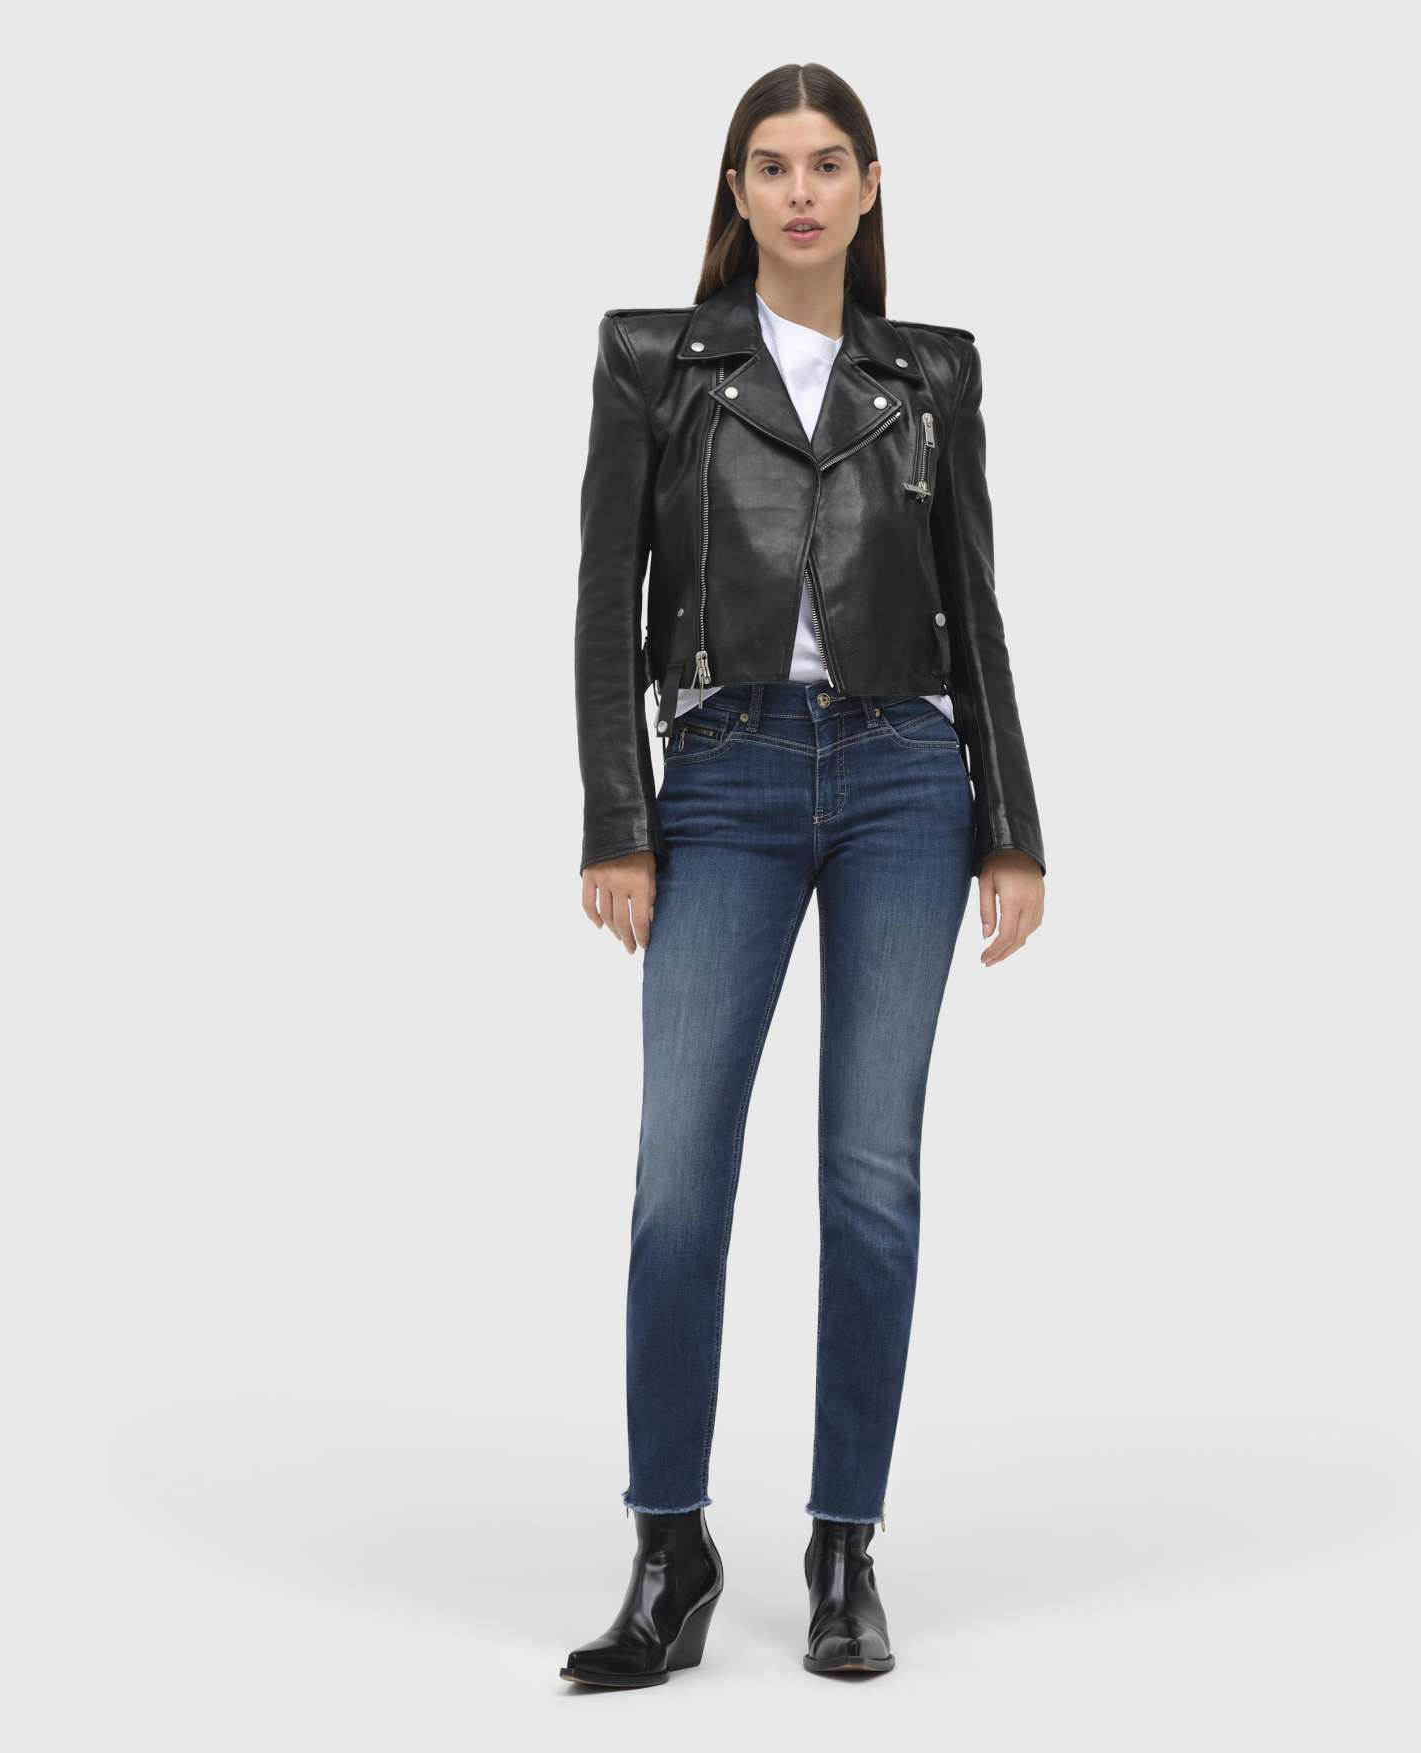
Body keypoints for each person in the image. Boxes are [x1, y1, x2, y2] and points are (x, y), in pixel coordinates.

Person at [560, 63, 1046, 1687]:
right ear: (737, 191)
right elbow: (606, 600)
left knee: (870, 1178)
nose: (800, 192)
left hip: (908, 778)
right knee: (679, 1183)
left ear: (870, 185)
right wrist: (618, 818)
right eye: (771, 166)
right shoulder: (657, 360)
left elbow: (975, 599)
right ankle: (668, 1545)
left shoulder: (930, 373)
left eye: (828, 164)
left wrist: (1012, 821)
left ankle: (846, 1545)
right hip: (727, 773)